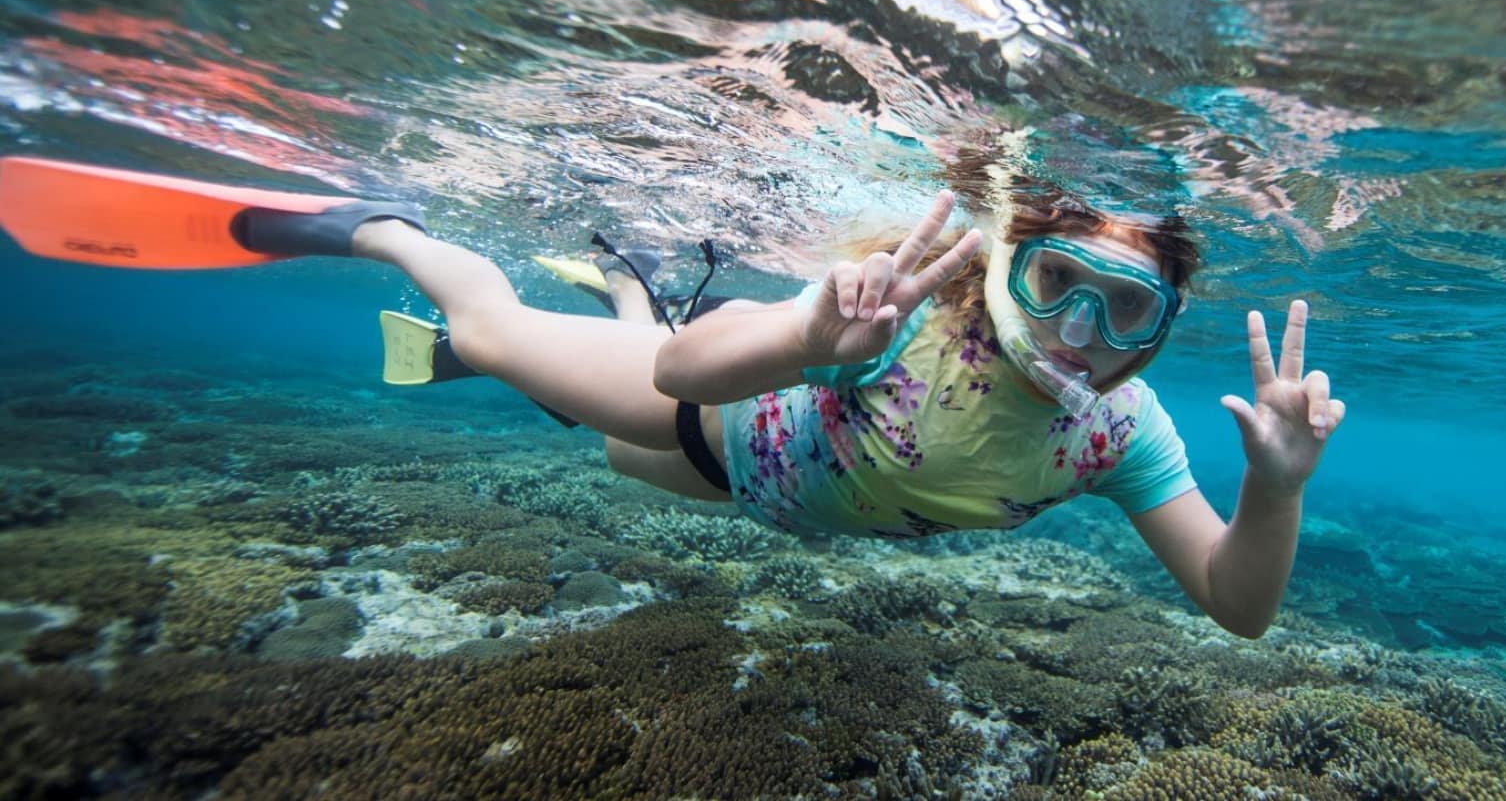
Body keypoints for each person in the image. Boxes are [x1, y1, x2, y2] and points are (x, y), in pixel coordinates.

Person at [0, 155, 1347, 639]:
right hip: (709, 419)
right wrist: (820, 333)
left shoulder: (1125, 434)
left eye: (1126, 312)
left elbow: (1235, 609)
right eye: (1058, 279)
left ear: (1157, 340)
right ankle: (383, 227)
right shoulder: (895, 316)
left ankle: (625, 284)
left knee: (588, 432)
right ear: (1006, 267)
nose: (1077, 328)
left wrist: (1273, 491)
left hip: (747, 496)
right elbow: (684, 378)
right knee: (533, 349)